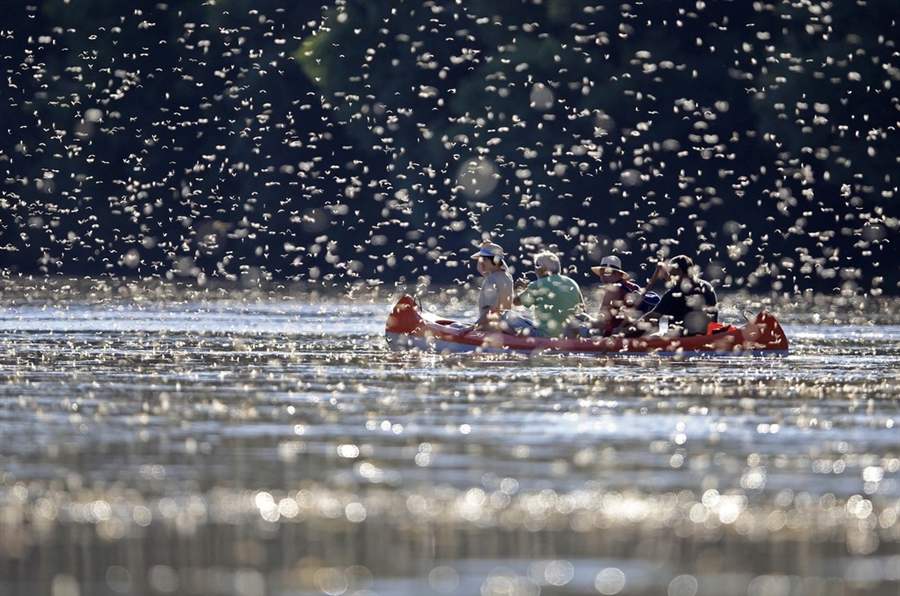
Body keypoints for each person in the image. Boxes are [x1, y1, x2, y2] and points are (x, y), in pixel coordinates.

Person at [619, 254, 718, 337]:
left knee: (648, 337)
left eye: (671, 273)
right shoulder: (706, 286)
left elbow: (652, 316)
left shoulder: (673, 294)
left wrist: (625, 331)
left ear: (679, 272)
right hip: (707, 335)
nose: (669, 276)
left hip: (681, 338)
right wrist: (663, 270)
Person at [578, 255, 660, 337]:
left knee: (573, 326)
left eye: (606, 273)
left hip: (614, 338)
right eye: (601, 274)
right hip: (639, 336)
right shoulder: (634, 287)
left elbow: (602, 324)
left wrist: (584, 320)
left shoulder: (611, 292)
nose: (602, 279)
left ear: (617, 274)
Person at [513, 251, 586, 338]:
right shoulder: (572, 282)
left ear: (542, 268)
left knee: (506, 316)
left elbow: (516, 302)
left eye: (536, 266)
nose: (535, 270)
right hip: (571, 335)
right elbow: (583, 312)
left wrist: (519, 288)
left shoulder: (538, 284)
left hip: (545, 336)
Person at [467, 241, 514, 331]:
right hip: (503, 328)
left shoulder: (490, 279)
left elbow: (492, 310)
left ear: (495, 261)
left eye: (484, 259)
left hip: (489, 329)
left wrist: (472, 327)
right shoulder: (507, 277)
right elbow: (482, 268)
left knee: (455, 327)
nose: (481, 262)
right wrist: (484, 250)